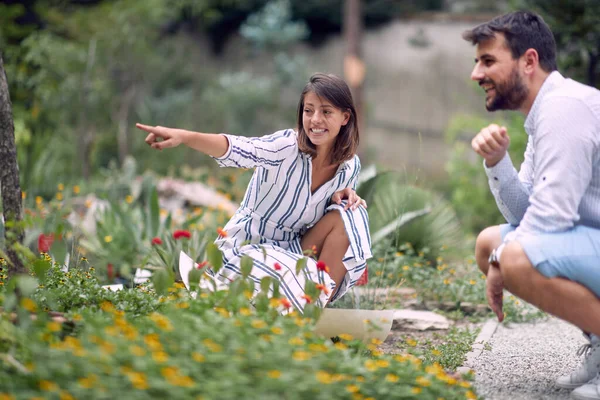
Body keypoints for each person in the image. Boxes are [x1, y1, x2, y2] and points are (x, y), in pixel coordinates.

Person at [136, 73, 371, 313]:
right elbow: (237, 147)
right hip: (247, 249)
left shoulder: (349, 167)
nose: (315, 120)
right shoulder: (286, 147)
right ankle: (301, 307)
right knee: (295, 272)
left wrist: (345, 196)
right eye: (308, 110)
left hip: (293, 250)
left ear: (345, 117)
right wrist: (185, 137)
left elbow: (335, 215)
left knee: (351, 213)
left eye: (326, 112)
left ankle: (315, 307)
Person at [464, 11, 600, 399]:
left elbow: (551, 219)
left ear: (528, 61)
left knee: (513, 257)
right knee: (491, 242)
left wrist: (501, 262)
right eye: (477, 62)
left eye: (488, 61)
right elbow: (526, 216)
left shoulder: (565, 108)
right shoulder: (545, 113)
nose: (476, 74)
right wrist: (497, 161)